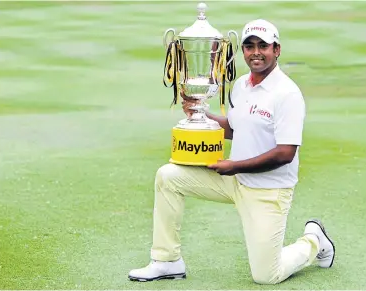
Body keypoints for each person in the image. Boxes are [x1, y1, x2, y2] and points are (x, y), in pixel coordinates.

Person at [128, 19, 336, 285]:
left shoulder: (287, 94)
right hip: (232, 181)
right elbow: (236, 129)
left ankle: (314, 241)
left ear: (277, 50)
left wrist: (235, 166)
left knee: (266, 276)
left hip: (267, 192)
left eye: (264, 46)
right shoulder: (241, 86)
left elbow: (285, 153)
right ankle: (167, 260)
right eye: (249, 46)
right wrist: (200, 115)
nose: (256, 52)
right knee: (168, 176)